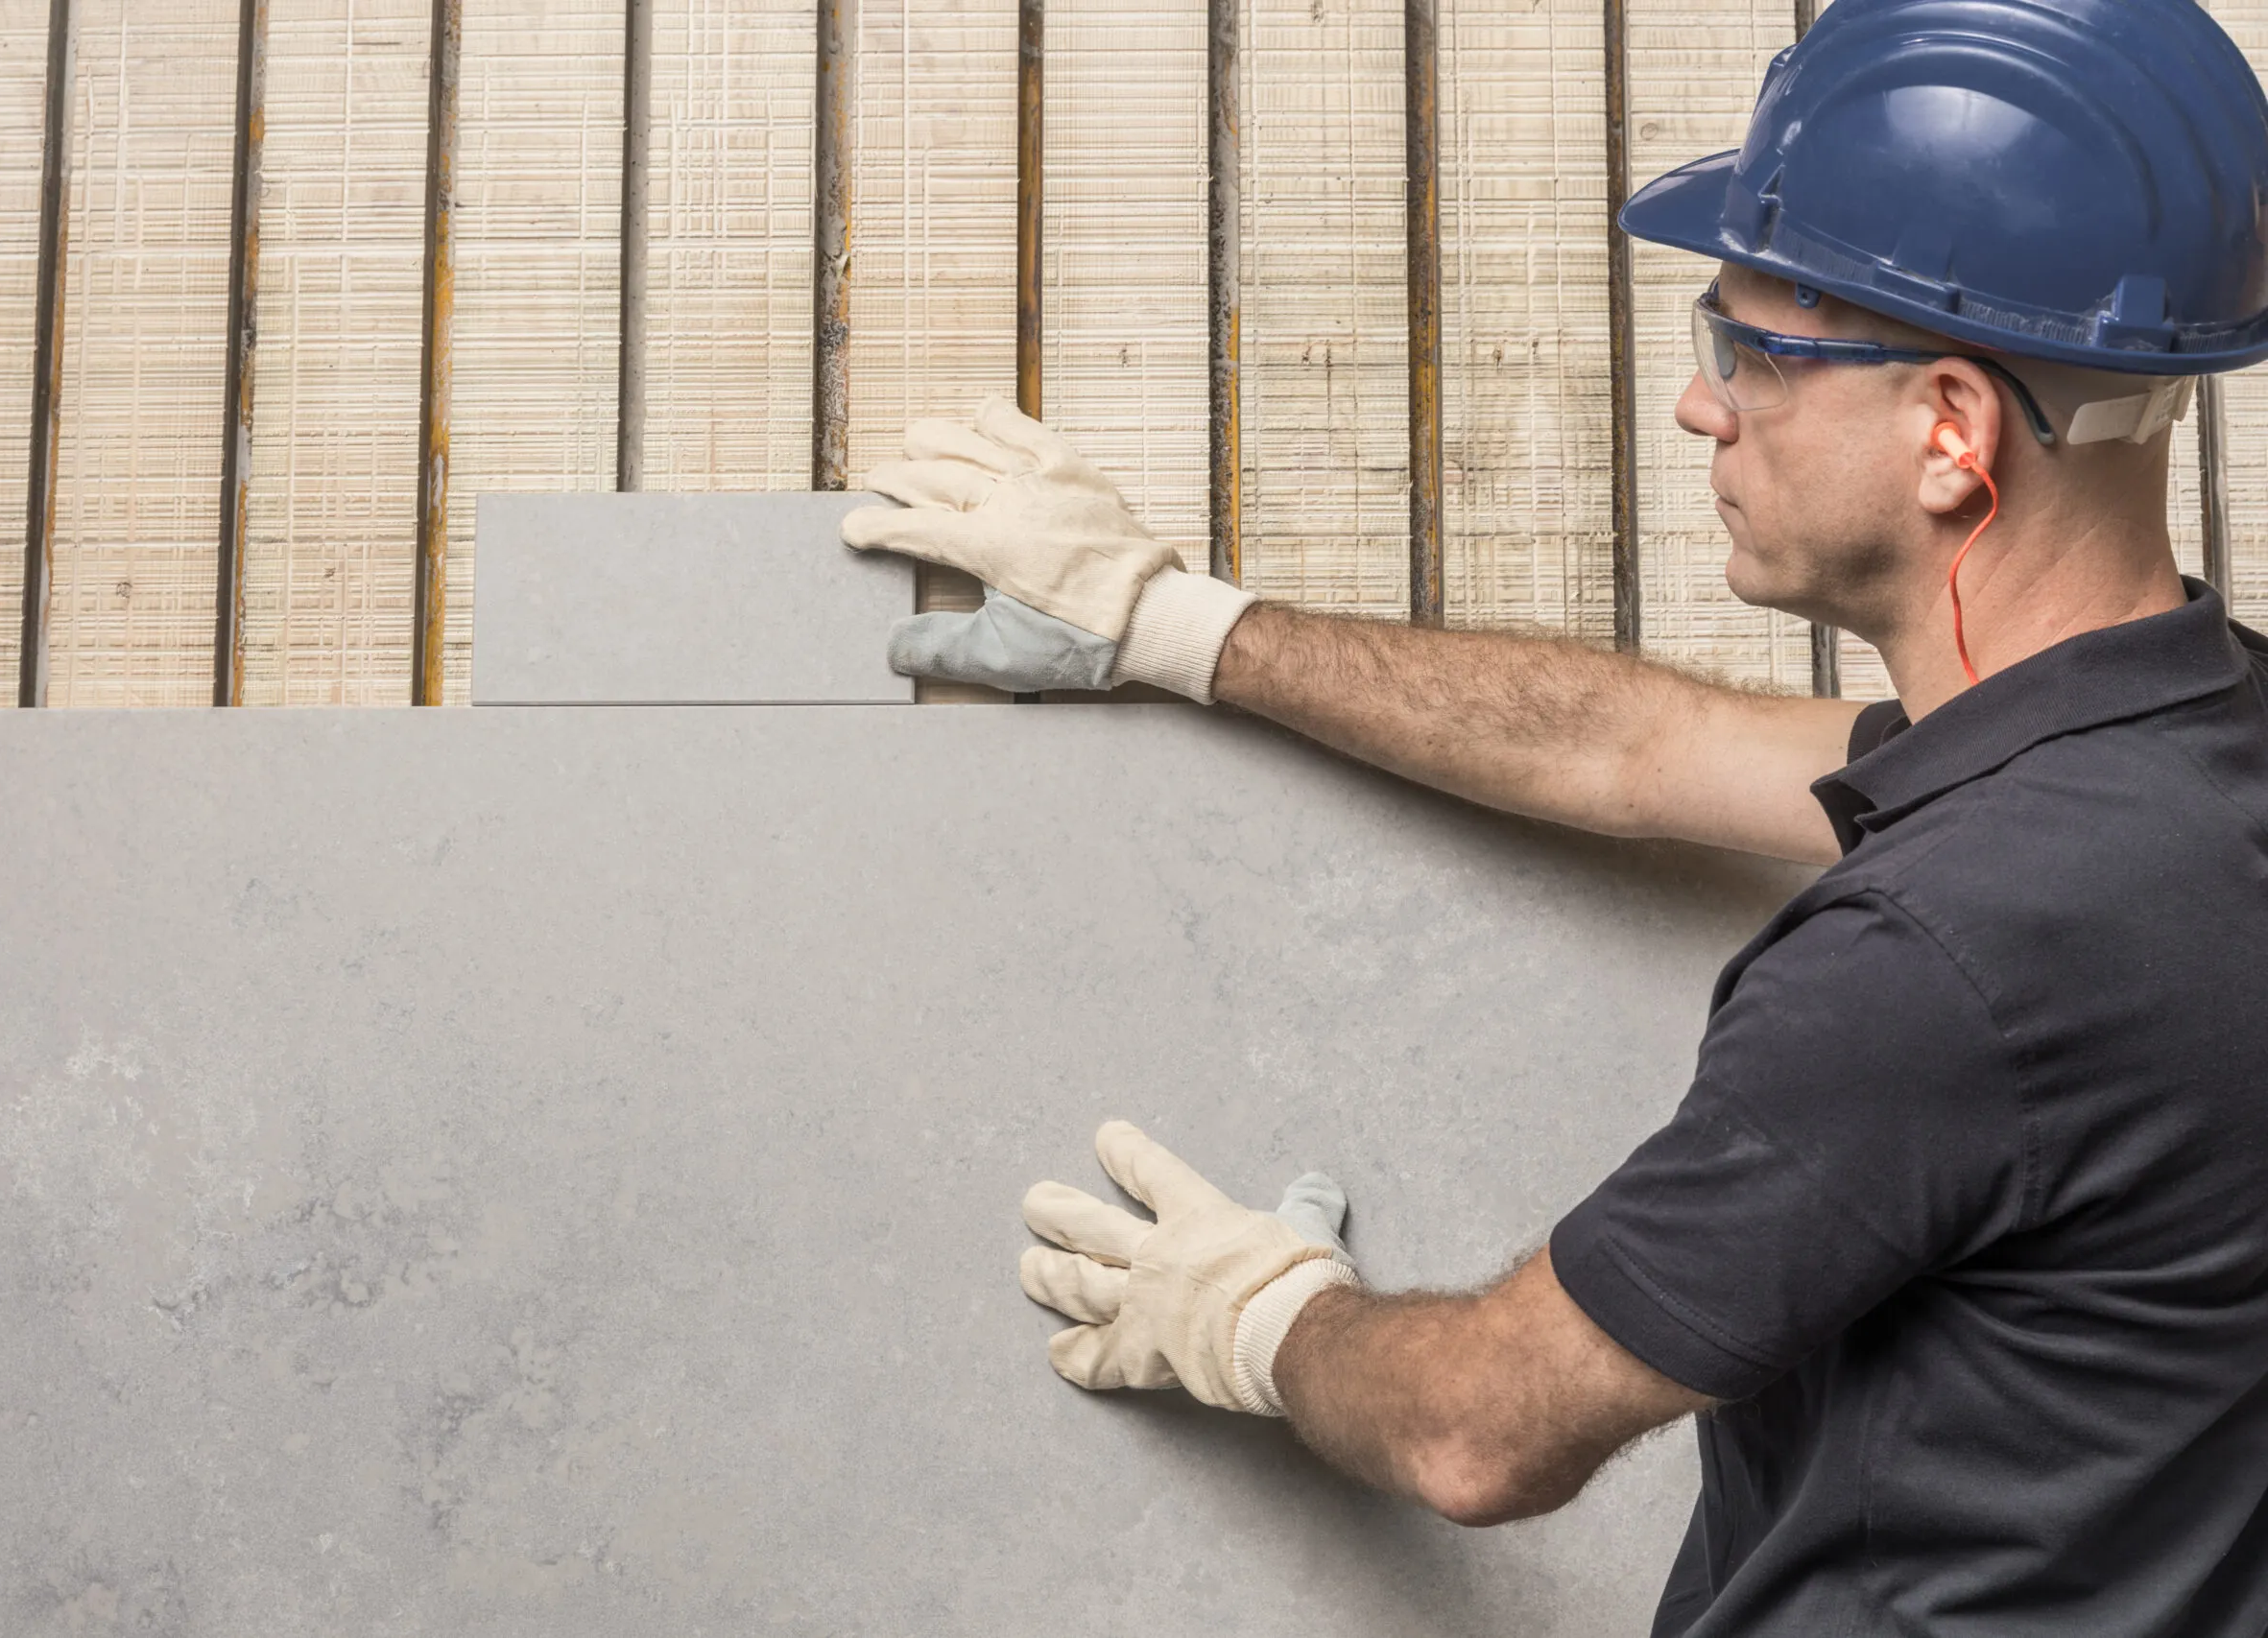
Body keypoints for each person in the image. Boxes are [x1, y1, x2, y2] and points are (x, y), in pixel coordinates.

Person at [842, 0, 2268, 1628]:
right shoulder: (2187, 749)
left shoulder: (1942, 960)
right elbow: (1651, 749)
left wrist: (1256, 1317)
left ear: (1952, 428)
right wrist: (1177, 625)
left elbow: (1480, 1428)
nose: (1703, 407)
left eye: (1753, 353)